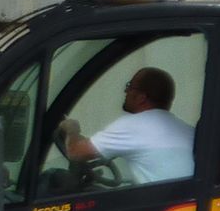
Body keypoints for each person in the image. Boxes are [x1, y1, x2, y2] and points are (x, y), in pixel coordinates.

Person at [58, 66, 194, 184]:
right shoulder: (187, 130)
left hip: (160, 207)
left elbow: (76, 152)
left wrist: (71, 129)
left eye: (129, 87)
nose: (125, 92)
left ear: (141, 97)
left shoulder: (134, 126)